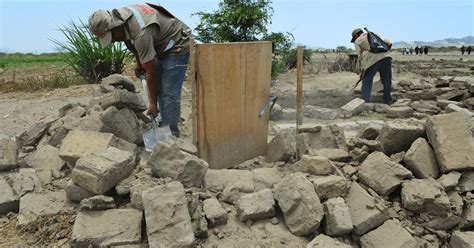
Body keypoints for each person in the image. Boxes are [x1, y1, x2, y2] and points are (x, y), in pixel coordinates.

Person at [88, 3, 192, 137]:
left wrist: (153, 105)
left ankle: (171, 133)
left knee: (169, 91)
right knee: (158, 89)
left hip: (177, 43)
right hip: (158, 44)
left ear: (115, 27)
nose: (113, 41)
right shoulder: (122, 20)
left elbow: (151, 73)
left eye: (111, 37)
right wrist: (139, 64)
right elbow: (132, 43)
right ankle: (165, 122)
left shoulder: (141, 31)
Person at [351, 28, 393, 104]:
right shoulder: (373, 34)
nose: (355, 39)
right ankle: (387, 100)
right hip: (386, 57)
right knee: (387, 80)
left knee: (367, 80)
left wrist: (363, 71)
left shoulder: (357, 41)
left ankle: (365, 101)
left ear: (356, 35)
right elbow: (389, 43)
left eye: (354, 38)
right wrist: (383, 53)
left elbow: (360, 57)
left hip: (371, 60)